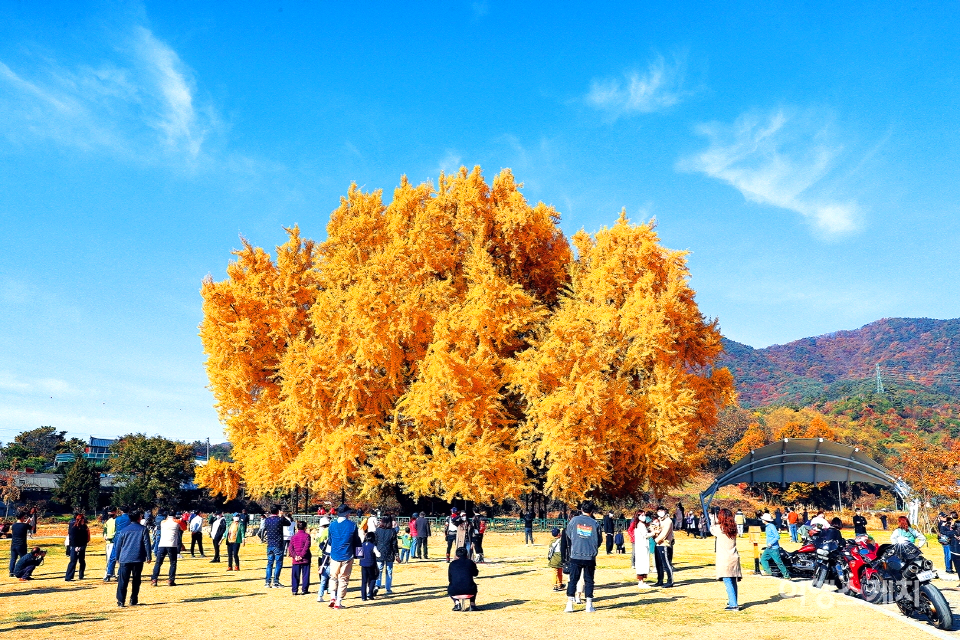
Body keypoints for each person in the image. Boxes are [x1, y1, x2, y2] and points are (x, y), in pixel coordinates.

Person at [564, 500, 601, 613]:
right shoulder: (595, 523)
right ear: (592, 510)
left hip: (576, 554)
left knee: (573, 580)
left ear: (581, 509)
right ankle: (589, 604)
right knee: (589, 580)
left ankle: (570, 604)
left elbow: (568, 534)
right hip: (590, 556)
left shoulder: (574, 520)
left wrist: (577, 541)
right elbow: (599, 540)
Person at [113, 509, 152, 607]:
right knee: (136, 580)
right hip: (138, 558)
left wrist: (117, 557)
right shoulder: (143, 529)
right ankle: (133, 600)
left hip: (125, 558)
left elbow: (118, 545)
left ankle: (121, 601)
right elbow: (147, 543)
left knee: (123, 580)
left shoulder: (123, 530)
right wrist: (149, 556)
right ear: (139, 518)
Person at [327, 503, 362, 609]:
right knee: (343, 578)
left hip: (334, 554)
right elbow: (357, 541)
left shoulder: (332, 525)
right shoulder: (352, 525)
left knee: (333, 576)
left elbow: (330, 540)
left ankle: (332, 596)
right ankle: (339, 601)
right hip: (347, 554)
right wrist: (359, 555)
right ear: (347, 513)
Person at [711, 508, 742, 611]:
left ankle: (733, 605)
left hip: (725, 559)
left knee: (728, 581)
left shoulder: (720, 529)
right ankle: (733, 601)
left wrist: (712, 519)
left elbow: (711, 529)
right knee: (733, 581)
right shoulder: (733, 527)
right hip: (734, 557)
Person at [152, 511, 182, 586]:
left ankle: (154, 579)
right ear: (175, 516)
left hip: (162, 544)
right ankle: (171, 580)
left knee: (158, 563)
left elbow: (163, 521)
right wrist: (179, 520)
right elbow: (183, 528)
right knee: (173, 563)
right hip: (172, 544)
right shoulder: (177, 523)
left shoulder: (163, 522)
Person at [261, 506, 289, 588]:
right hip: (278, 544)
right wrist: (282, 516)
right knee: (278, 563)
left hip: (270, 544)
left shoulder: (267, 520)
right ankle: (276, 581)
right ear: (278, 511)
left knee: (269, 563)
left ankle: (267, 581)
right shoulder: (280, 519)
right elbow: (288, 523)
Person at [759, 512, 790, 578]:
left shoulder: (771, 526)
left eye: (763, 519)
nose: (762, 520)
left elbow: (777, 536)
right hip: (769, 548)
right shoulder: (767, 527)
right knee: (763, 559)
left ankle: (786, 575)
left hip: (774, 548)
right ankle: (768, 572)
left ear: (765, 520)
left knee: (778, 562)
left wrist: (771, 543)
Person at [448, 546, 479, 610]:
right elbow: (475, 574)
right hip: (469, 590)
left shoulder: (452, 564)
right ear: (467, 554)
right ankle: (472, 604)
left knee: (450, 587)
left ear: (456, 555)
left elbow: (450, 578)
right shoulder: (470, 562)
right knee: (474, 586)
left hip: (454, 591)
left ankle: (457, 603)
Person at [375, 515, 398, 593]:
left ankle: (377, 585)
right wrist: (397, 554)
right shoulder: (392, 531)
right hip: (389, 552)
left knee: (379, 570)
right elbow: (394, 544)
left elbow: (375, 542)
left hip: (379, 552)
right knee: (389, 571)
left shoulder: (378, 530)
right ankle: (388, 588)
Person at [64, 512, 90, 581]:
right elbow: (72, 538)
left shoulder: (84, 527)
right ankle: (68, 577)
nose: (84, 521)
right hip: (74, 545)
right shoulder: (73, 527)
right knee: (73, 561)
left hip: (82, 545)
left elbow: (85, 537)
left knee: (82, 560)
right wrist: (76, 546)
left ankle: (81, 575)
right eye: (83, 519)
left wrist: (83, 545)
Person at [289, 520, 312, 595]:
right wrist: (301, 556)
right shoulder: (307, 536)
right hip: (305, 558)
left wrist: (295, 556)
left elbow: (290, 548)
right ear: (305, 528)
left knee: (295, 575)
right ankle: (304, 589)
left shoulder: (293, 537)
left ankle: (294, 590)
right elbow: (306, 546)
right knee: (305, 575)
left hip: (295, 560)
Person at [654, 507, 674, 587]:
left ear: (665, 511)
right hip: (658, 544)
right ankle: (660, 580)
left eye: (661, 511)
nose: (660, 512)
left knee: (666, 563)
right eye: (658, 511)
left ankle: (670, 581)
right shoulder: (659, 520)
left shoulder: (668, 521)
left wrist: (657, 539)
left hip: (664, 544)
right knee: (658, 563)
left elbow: (664, 533)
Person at [314, 516, 332, 602]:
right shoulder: (332, 530)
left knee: (323, 577)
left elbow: (320, 542)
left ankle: (323, 591)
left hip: (323, 555)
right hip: (331, 557)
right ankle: (330, 591)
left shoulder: (324, 531)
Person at [359, 531, 380, 601]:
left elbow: (358, 555)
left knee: (364, 581)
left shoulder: (361, 545)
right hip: (371, 564)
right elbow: (378, 555)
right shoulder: (373, 546)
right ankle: (370, 593)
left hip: (363, 564)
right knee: (373, 578)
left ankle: (363, 597)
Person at [8, 511, 30, 578]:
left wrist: (26, 523)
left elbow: (19, 527)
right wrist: (28, 522)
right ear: (22, 517)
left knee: (13, 559)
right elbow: (32, 528)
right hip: (21, 545)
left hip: (13, 545)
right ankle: (23, 571)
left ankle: (11, 572)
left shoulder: (13, 525)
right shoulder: (25, 525)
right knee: (24, 559)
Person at [633, 513, 652, 589]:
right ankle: (641, 581)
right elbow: (645, 535)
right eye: (641, 515)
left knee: (643, 563)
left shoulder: (639, 524)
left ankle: (642, 581)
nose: (644, 517)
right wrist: (653, 533)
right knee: (642, 563)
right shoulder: (640, 525)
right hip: (642, 546)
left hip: (641, 546)